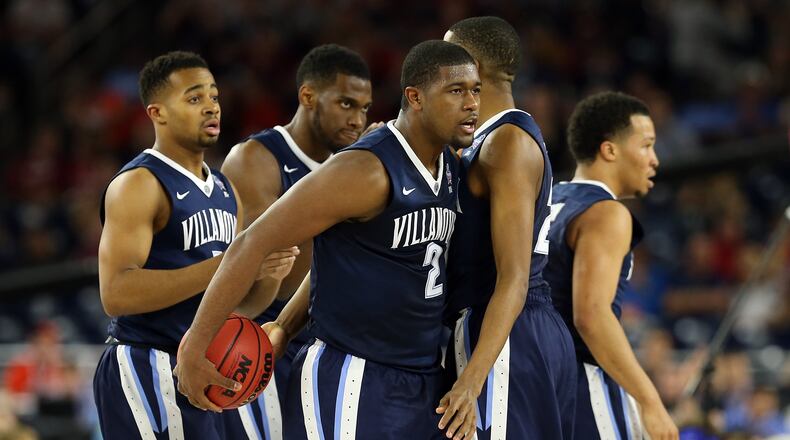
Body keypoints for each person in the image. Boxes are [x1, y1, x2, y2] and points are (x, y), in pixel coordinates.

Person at [175, 40, 480, 439]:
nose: (472, 103)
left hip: (422, 376)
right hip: (354, 375)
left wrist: (284, 324)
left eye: (476, 90)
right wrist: (195, 344)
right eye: (456, 91)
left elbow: (336, 257)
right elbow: (253, 242)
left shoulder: (451, 167)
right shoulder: (364, 169)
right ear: (415, 98)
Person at [93, 51, 296, 439]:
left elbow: (236, 302)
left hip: (206, 363)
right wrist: (233, 263)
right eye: (193, 98)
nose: (210, 107)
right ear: (157, 113)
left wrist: (267, 274)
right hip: (147, 360)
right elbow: (115, 293)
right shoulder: (138, 184)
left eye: (214, 97)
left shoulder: (223, 187)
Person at [220, 44, 374, 440]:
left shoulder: (361, 167)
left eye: (364, 108)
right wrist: (346, 184)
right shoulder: (255, 159)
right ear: (308, 96)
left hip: (335, 342)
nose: (357, 119)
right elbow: (266, 272)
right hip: (267, 341)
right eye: (345, 103)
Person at [439, 16, 577, 440]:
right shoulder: (485, 139)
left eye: (448, 56)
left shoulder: (507, 143)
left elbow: (514, 279)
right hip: (514, 331)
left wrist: (472, 379)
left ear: (473, 67)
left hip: (506, 333)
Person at [543, 91, 679, 440]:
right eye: (646, 145)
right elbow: (591, 315)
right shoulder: (607, 213)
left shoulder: (549, 199)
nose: (654, 160)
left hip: (537, 379)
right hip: (582, 381)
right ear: (610, 150)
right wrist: (650, 400)